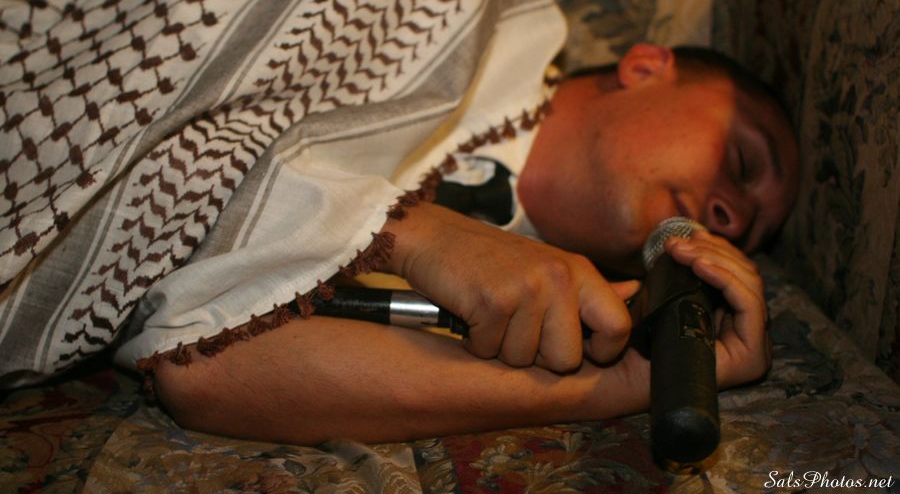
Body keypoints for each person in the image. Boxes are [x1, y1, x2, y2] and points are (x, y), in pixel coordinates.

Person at [151, 42, 800, 445]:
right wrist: (408, 231)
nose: (731, 216)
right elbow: (176, 122)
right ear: (646, 67)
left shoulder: (545, 315)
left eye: (747, 232)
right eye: (743, 160)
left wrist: (628, 382)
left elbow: (205, 369)